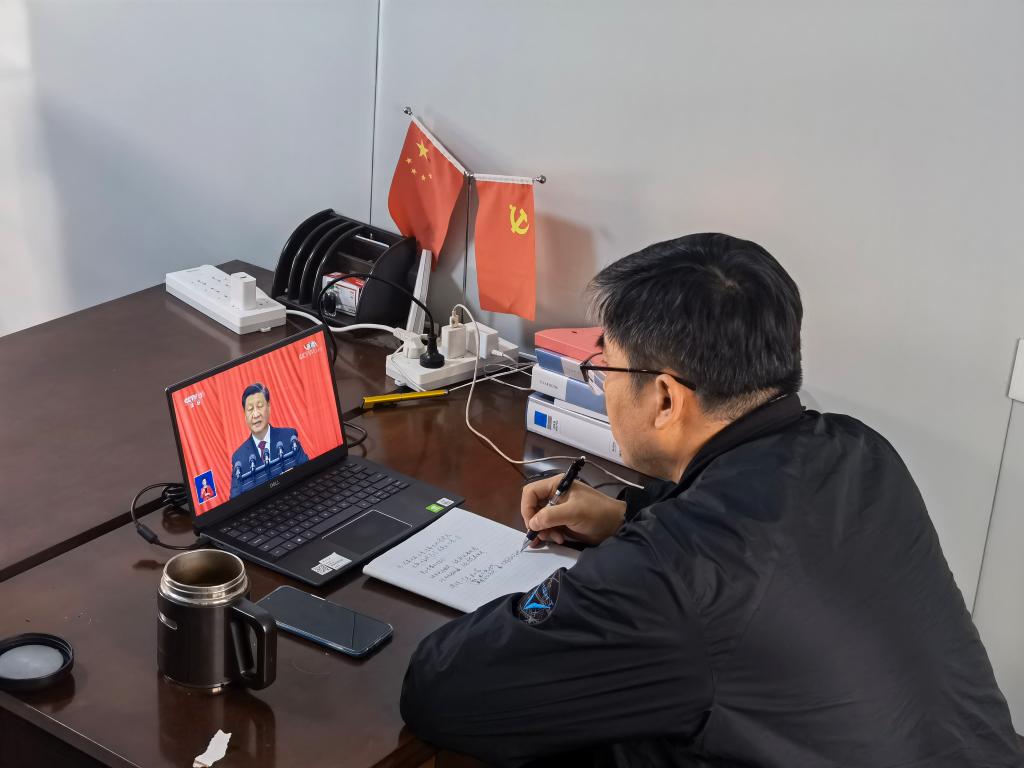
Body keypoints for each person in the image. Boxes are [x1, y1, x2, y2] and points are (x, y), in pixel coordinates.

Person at [400, 234, 1023, 767]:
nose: (602, 386)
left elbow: (441, 692)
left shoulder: (670, 574)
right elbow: (765, 555)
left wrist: (612, 570)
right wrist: (627, 516)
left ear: (666, 399)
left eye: (604, 370)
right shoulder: (859, 452)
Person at [229, 383, 307, 498]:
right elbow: (235, 501)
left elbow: (307, 473)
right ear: (245, 415)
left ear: (269, 407)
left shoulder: (288, 437)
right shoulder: (239, 458)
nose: (255, 414)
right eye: (250, 409)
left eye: (260, 406)